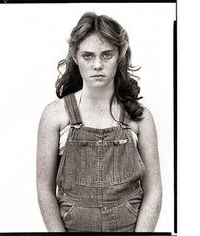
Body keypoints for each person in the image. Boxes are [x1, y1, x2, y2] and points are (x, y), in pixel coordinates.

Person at [36, 12, 162, 232]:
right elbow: (44, 189)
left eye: (106, 55)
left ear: (120, 54)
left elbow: (154, 190)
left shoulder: (140, 117)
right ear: (75, 57)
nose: (97, 65)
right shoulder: (55, 115)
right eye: (88, 56)